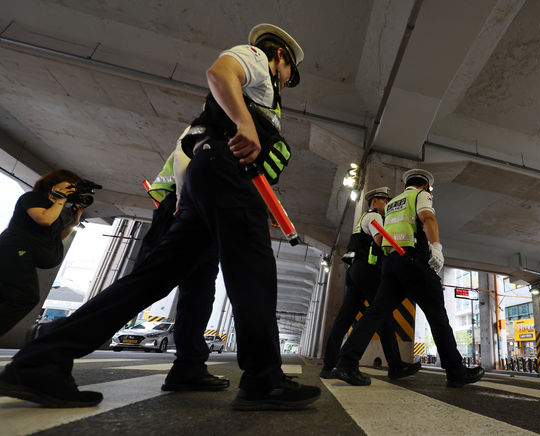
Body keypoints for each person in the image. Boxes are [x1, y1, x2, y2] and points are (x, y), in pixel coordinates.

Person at [0, 23, 321, 410]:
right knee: (253, 270)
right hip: (224, 175)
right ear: (281, 56)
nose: (288, 81)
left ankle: (42, 358)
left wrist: (195, 198)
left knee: (151, 278)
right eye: (290, 74)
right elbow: (219, 73)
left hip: (214, 183)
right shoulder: (256, 60)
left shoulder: (263, 96)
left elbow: (200, 144)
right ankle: (263, 379)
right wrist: (245, 123)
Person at [334, 169, 485, 387]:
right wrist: (437, 248)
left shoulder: (394, 202)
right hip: (414, 262)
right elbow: (427, 218)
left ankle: (346, 363)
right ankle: (455, 371)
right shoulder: (420, 196)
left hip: (391, 264)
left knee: (375, 313)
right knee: (437, 316)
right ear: (426, 186)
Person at [133, 153, 227, 392]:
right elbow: (187, 154)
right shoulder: (226, 118)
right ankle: (55, 344)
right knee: (146, 284)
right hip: (184, 205)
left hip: (208, 211)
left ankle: (189, 367)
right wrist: (184, 196)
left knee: (200, 295)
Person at [319, 187, 421, 380]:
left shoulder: (362, 220)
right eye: (385, 201)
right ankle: (394, 365)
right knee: (381, 315)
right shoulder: (373, 217)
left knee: (344, 319)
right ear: (375, 201)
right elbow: (380, 239)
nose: (387, 204)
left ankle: (329, 366)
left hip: (355, 271)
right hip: (367, 270)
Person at [0, 170, 84, 337]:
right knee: (25, 297)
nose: (73, 189)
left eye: (75, 187)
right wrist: (61, 200)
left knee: (11, 296)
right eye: (69, 185)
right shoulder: (32, 198)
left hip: (24, 256)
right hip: (14, 250)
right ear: (54, 183)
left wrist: (75, 220)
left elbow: (58, 236)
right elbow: (44, 219)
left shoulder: (54, 209)